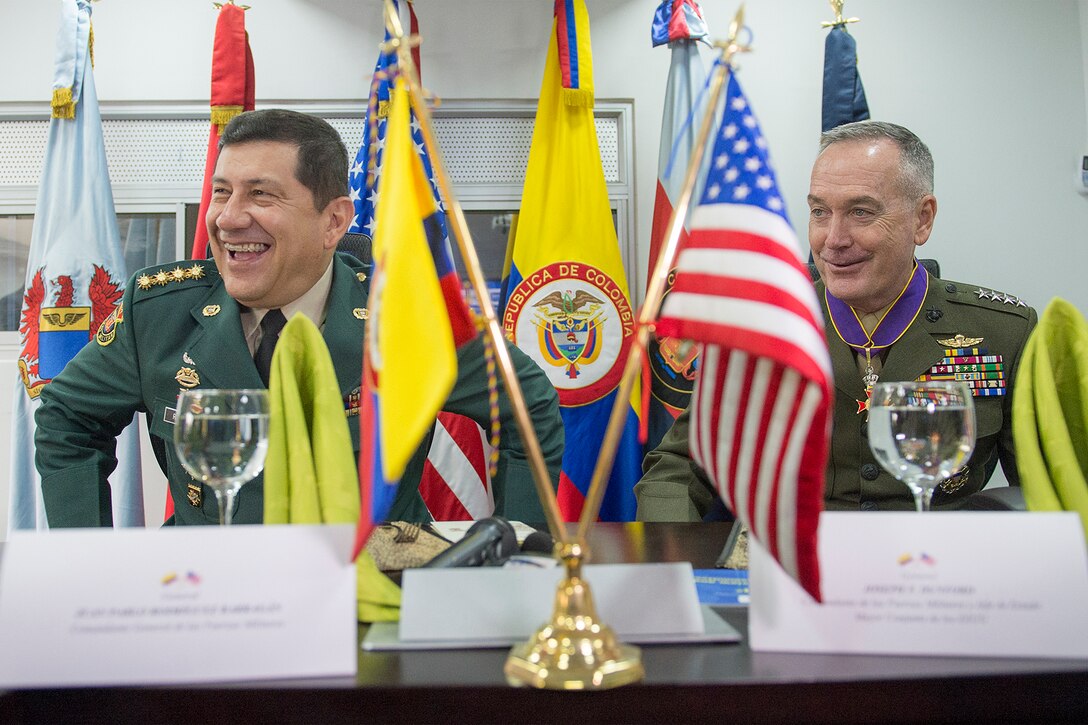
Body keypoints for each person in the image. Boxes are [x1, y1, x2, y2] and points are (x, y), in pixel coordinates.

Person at [35, 109, 564, 527]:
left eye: (260, 194)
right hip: (213, 586)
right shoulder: (156, 312)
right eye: (222, 192)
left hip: (370, 586)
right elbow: (67, 420)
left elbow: (527, 405)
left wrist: (516, 551)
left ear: (334, 220)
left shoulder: (404, 316)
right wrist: (87, 560)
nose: (228, 217)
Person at [636, 121, 1037, 518]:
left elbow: (1045, 490)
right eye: (819, 212)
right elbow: (678, 468)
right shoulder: (765, 322)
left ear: (923, 219)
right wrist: (678, 564)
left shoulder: (1002, 333)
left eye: (861, 212)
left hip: (935, 566)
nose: (833, 239)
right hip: (799, 562)